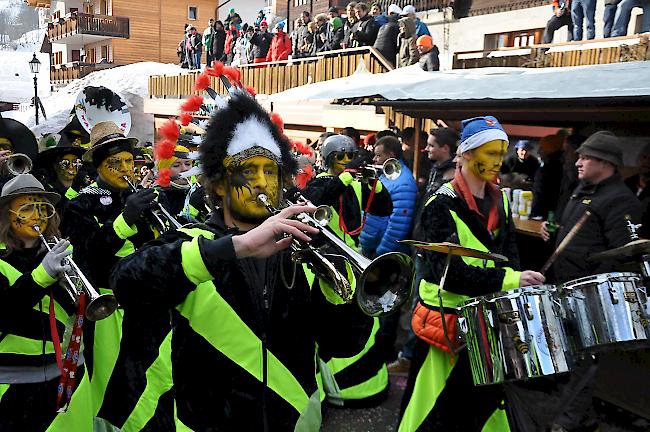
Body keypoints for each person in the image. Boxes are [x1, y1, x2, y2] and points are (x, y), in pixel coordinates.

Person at [110, 92, 372, 430]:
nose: (262, 182)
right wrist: (237, 247)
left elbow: (344, 344)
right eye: (247, 171)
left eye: (270, 171)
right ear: (218, 186)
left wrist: (336, 272)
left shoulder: (301, 252)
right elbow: (125, 283)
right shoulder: (192, 243)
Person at [398, 116, 545, 432]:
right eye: (489, 152)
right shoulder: (440, 204)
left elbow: (510, 258)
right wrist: (510, 280)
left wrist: (518, 282)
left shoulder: (500, 200)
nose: (497, 161)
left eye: (500, 153)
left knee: (482, 411)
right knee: (431, 413)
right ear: (464, 154)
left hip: (487, 322)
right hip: (446, 325)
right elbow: (447, 275)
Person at [520, 131, 643, 432]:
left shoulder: (620, 200)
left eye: (585, 157)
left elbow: (626, 253)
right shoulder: (582, 190)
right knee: (569, 354)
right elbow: (575, 230)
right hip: (565, 284)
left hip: (591, 294)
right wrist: (556, 232)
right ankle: (572, 411)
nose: (578, 161)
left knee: (586, 362)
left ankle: (568, 420)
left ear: (606, 162)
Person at [61, 121, 175, 430]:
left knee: (156, 371)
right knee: (114, 377)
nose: (126, 169)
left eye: (129, 161)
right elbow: (86, 255)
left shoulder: (143, 196)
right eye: (116, 163)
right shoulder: (80, 204)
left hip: (149, 302)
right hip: (108, 306)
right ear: (100, 167)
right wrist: (125, 220)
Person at [302, 134, 393, 407]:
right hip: (325, 263)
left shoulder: (356, 184)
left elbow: (384, 208)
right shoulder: (320, 183)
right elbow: (315, 199)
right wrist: (342, 180)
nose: (346, 163)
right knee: (330, 326)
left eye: (349, 157)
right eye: (340, 158)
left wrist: (374, 185)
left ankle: (363, 385)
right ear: (329, 160)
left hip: (356, 261)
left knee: (365, 321)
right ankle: (334, 387)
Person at [0, 174, 94, 430]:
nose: (37, 215)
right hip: (11, 383)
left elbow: (75, 310)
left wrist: (71, 277)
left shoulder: (55, 251)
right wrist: (42, 275)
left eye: (43, 208)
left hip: (64, 374)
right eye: (27, 208)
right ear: (7, 215)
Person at [531, 134, 564, 218]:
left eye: (542, 148)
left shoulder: (547, 170)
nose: (538, 151)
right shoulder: (564, 167)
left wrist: (534, 214)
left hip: (543, 216)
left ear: (549, 150)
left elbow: (540, 195)